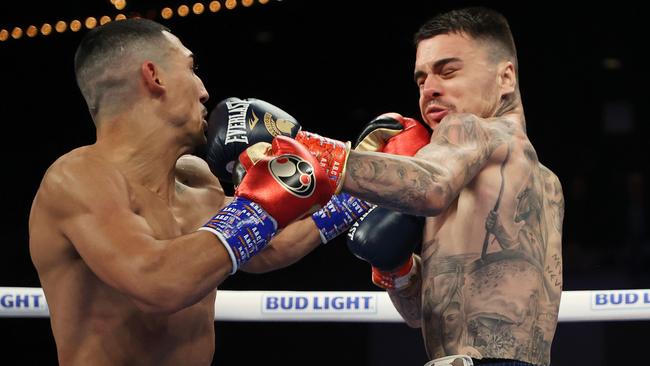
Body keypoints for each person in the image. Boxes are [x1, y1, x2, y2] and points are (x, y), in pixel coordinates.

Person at [27, 18, 369, 366]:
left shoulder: (195, 178)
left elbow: (268, 246)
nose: (204, 91)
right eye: (191, 68)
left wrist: (365, 191)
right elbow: (158, 281)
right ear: (154, 76)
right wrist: (265, 201)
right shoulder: (77, 178)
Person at [238, 6, 563, 366]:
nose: (431, 89)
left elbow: (430, 186)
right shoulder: (548, 184)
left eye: (449, 71)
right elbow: (425, 315)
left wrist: (307, 149)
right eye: (421, 79)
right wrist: (399, 269)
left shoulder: (470, 129)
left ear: (505, 78)